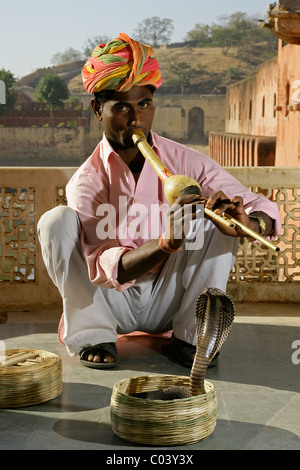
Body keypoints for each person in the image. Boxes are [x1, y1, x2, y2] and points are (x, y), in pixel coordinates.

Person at [38, 33, 281, 369]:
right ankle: (94, 335)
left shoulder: (187, 161)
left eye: (144, 105)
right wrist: (165, 242)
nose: (136, 120)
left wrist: (247, 223)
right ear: (98, 109)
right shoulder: (88, 180)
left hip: (172, 299)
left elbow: (262, 206)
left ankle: (190, 339)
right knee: (55, 222)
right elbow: (104, 268)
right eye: (121, 107)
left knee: (215, 217)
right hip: (110, 301)